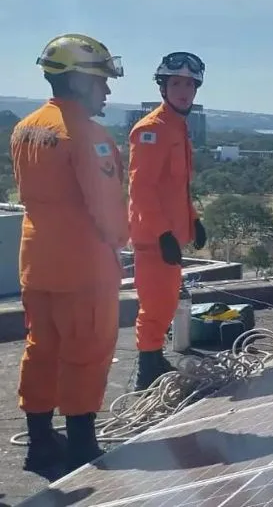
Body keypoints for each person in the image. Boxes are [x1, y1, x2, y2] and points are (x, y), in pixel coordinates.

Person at [13, 33, 128, 473]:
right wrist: (120, 242)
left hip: (35, 259)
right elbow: (106, 211)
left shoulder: (27, 127)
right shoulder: (88, 135)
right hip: (82, 267)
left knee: (40, 348)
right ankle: (82, 445)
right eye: (101, 82)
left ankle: (40, 442)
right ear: (80, 82)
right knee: (86, 350)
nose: (107, 90)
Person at [128, 52, 207, 391]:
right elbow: (141, 188)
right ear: (163, 87)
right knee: (156, 303)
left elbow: (178, 187)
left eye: (189, 84)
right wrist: (162, 233)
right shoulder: (151, 129)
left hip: (170, 234)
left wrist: (194, 220)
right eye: (176, 83)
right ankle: (146, 371)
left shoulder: (178, 127)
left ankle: (153, 357)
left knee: (166, 300)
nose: (183, 91)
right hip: (154, 236)